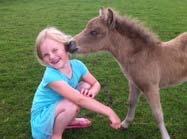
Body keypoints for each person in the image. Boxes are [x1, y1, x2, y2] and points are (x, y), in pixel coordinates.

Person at [30, 27, 121, 139]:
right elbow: (79, 100)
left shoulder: (77, 65)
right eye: (46, 55)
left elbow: (95, 83)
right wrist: (109, 111)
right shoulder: (51, 75)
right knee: (72, 104)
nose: (52, 57)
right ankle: (56, 135)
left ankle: (69, 121)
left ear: (66, 47)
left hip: (59, 106)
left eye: (55, 50)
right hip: (42, 121)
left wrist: (92, 91)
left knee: (85, 86)